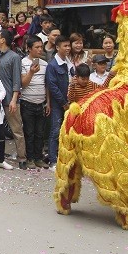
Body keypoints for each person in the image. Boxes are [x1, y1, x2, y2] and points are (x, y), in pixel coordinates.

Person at [0, 30, 27, 169]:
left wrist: (13, 99)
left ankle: (22, 157)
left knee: (16, 130)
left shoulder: (14, 57)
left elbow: (17, 81)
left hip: (10, 100)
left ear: (3, 40)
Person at [20, 36, 49, 169]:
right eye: (36, 47)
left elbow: (47, 85)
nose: (39, 49)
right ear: (29, 48)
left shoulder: (45, 64)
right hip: (27, 102)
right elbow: (23, 84)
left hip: (41, 103)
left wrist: (48, 102)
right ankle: (30, 158)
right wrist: (31, 72)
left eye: (41, 47)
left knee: (40, 133)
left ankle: (38, 157)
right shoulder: (23, 62)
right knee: (29, 132)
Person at [45, 35, 72, 170]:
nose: (68, 48)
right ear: (57, 47)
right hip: (58, 104)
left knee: (67, 131)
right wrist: (63, 103)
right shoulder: (52, 65)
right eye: (65, 46)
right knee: (55, 131)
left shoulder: (69, 62)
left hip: (69, 102)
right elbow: (52, 86)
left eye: (68, 45)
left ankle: (65, 158)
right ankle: (52, 160)